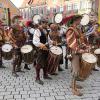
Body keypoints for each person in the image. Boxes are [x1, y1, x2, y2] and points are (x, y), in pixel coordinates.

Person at [66, 15, 89, 96]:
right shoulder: (71, 29)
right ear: (75, 20)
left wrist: (85, 46)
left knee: (75, 69)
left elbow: (80, 39)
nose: (80, 21)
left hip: (78, 52)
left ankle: (72, 84)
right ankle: (74, 89)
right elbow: (70, 42)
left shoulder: (78, 29)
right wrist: (79, 50)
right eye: (79, 19)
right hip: (74, 52)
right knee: (76, 70)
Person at [33, 21, 52, 85]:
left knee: (46, 62)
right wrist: (42, 45)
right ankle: (37, 78)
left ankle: (45, 75)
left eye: (46, 23)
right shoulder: (37, 31)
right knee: (39, 63)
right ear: (41, 24)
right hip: (40, 49)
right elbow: (35, 41)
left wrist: (52, 42)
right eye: (45, 23)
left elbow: (48, 40)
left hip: (46, 49)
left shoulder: (46, 30)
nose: (46, 24)